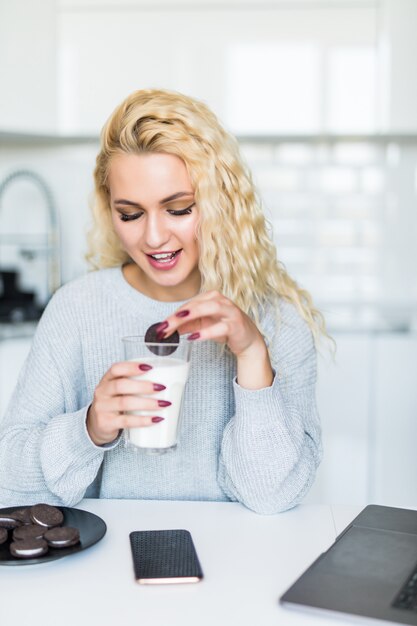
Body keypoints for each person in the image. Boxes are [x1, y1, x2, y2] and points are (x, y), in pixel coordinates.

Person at [0, 89, 326, 514]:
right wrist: (89, 428)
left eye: (179, 208)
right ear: (109, 209)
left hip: (239, 566)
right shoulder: (77, 309)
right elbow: (8, 481)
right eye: (131, 214)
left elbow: (273, 495)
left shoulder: (277, 321)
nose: (154, 238)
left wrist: (251, 356)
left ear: (220, 202)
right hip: (105, 564)